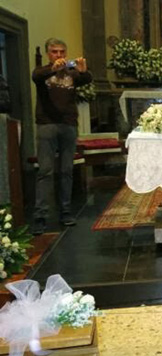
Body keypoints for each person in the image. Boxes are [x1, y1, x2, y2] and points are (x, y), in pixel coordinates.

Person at [31, 38, 92, 235]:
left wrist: (82, 70)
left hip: (68, 125)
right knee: (45, 171)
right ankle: (40, 215)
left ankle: (65, 211)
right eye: (55, 52)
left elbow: (87, 79)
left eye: (62, 52)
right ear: (49, 54)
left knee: (66, 170)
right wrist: (53, 69)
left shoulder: (71, 74)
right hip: (47, 125)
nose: (59, 56)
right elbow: (36, 76)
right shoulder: (42, 72)